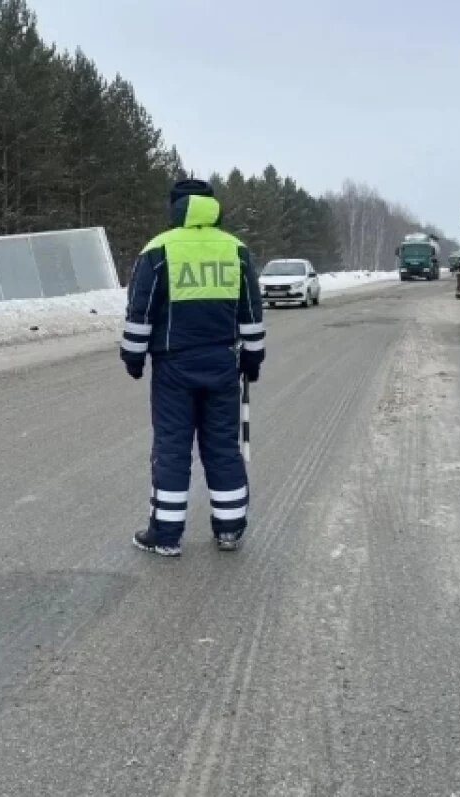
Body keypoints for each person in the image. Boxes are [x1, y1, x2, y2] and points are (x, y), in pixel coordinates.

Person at [120, 178, 265, 557]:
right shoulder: (236, 250)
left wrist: (133, 355)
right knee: (222, 447)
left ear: (176, 208)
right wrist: (253, 354)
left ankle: (165, 535)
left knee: (172, 447)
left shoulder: (159, 249)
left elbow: (141, 311)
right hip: (222, 364)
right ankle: (230, 529)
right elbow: (251, 310)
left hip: (173, 367)